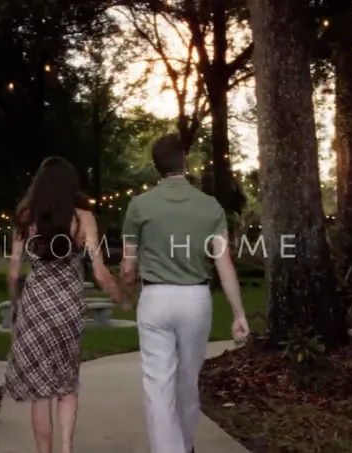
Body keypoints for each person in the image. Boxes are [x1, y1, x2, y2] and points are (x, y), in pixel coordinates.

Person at [120, 133, 250, 453]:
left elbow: (127, 267)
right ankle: (186, 445)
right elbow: (224, 264)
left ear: (156, 167)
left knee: (158, 386)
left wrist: (127, 291)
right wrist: (238, 314)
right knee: (187, 382)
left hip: (155, 299)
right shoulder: (209, 206)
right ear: (185, 161)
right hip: (195, 300)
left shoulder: (139, 205)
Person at [4, 156, 123, 453]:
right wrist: (120, 296)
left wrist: (15, 305)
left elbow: (14, 270)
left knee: (40, 394)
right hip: (68, 308)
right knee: (66, 386)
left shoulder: (26, 217)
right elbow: (99, 271)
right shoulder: (83, 217)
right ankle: (67, 449)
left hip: (35, 307)